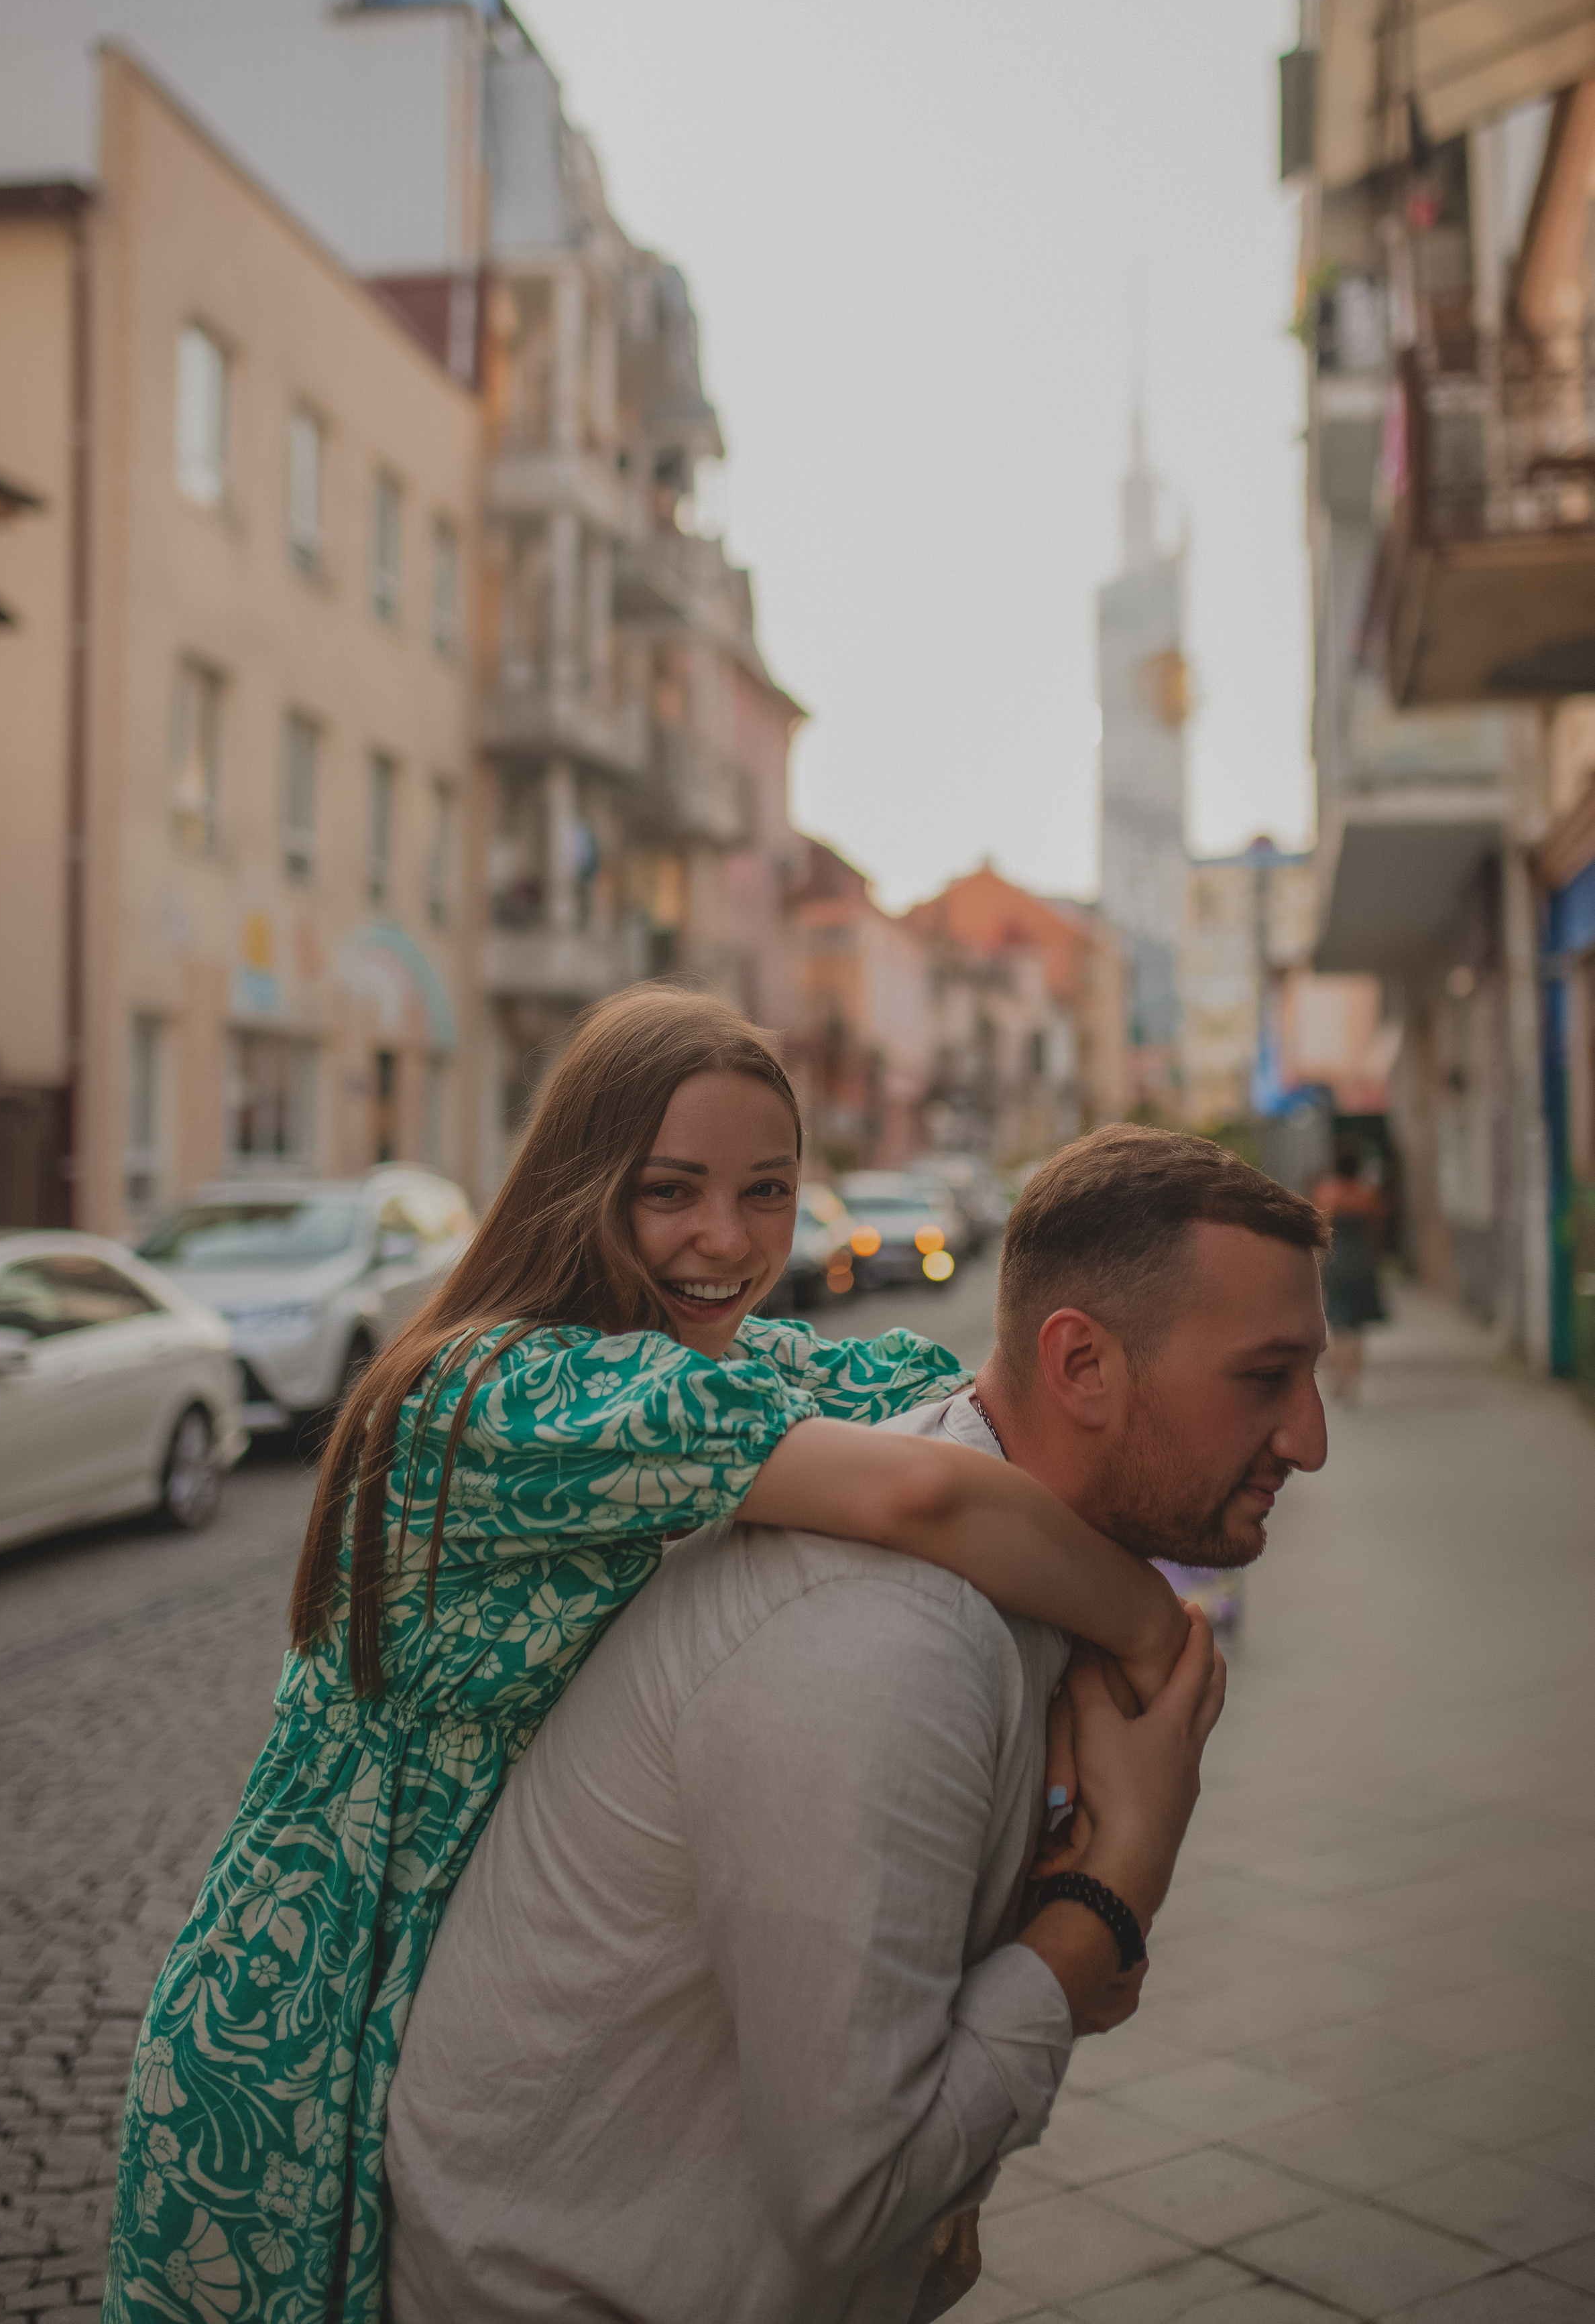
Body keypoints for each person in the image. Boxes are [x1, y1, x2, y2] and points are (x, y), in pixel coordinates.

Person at [103, 989, 1190, 2324]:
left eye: (769, 1190)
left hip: (455, 1966)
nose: (726, 1240)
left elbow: (951, 1404)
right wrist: (1160, 1640)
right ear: (581, 1183)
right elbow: (933, 1497)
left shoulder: (737, 1371)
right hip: (302, 2006)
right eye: (669, 1190)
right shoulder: (499, 1392)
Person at [385, 1124, 1330, 2323]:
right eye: (1262, 1377)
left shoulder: (965, 1523)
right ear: (1080, 1366)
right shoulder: (883, 1643)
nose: (1309, 1436)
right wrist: (1110, 1897)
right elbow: (856, 2190)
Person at [1313, 1146, 1386, 1404]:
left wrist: (1319, 1271)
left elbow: (1323, 1234)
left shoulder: (1328, 1193)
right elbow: (1376, 1232)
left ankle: (1337, 1380)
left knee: (1336, 1321)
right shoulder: (1368, 1194)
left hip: (1338, 1262)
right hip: (1362, 1262)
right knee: (1358, 1325)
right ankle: (1354, 1382)